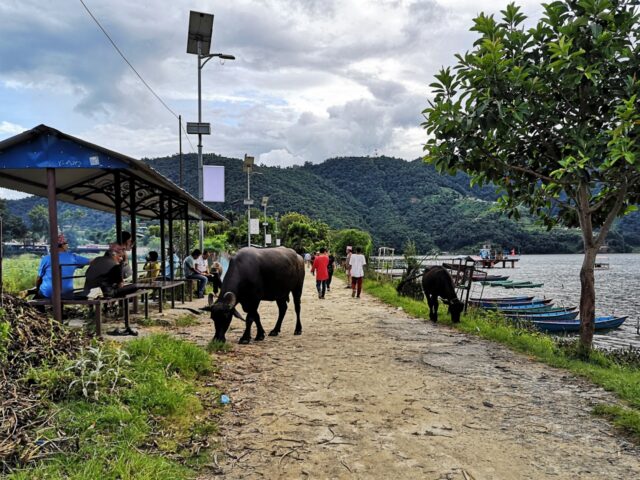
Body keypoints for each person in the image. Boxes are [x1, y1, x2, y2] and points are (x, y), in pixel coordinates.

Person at [35, 233, 92, 299]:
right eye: (66, 244)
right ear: (63, 245)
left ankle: (41, 309)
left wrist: (37, 289)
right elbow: (91, 261)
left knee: (37, 297)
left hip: (49, 293)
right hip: (67, 293)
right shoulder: (73, 257)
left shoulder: (46, 258)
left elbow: (39, 278)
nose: (67, 246)